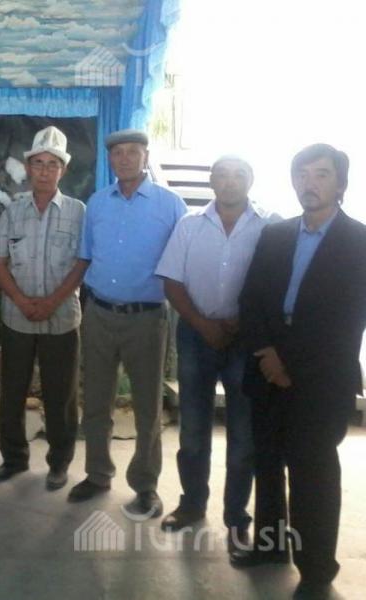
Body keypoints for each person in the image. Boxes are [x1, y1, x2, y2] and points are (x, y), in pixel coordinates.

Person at [235, 144, 366, 598]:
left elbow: (347, 321)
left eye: (322, 174)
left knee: (314, 472)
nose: (310, 183)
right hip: (267, 369)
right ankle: (270, 546)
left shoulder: (359, 242)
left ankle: (316, 568)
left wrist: (289, 365)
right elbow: (251, 300)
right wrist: (268, 355)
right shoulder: (276, 236)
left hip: (322, 379)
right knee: (267, 463)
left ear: (341, 184)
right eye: (303, 174)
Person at [155, 156, 277, 558]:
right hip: (195, 335)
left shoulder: (269, 226)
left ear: (251, 180)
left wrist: (242, 321)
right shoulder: (189, 225)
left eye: (239, 175)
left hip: (246, 340)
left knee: (243, 435)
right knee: (193, 429)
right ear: (211, 181)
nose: (230, 182)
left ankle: (236, 517)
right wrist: (203, 325)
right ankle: (192, 504)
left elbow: (274, 285)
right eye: (222, 175)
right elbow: (172, 281)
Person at [69, 129, 186, 517]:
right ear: (110, 159)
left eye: (132, 152)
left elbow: (182, 262)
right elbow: (86, 256)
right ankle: (97, 473)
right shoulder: (98, 203)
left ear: (145, 156)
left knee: (147, 407)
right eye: (117, 153)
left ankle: (146, 485)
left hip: (147, 319)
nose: (124, 159)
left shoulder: (171, 205)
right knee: (96, 400)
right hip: (99, 314)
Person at [0, 126, 86, 490]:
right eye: (38, 164)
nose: (45, 171)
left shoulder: (77, 212)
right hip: (18, 319)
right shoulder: (13, 212)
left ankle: (59, 464)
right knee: (12, 392)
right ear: (29, 168)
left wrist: (52, 301)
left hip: (61, 320)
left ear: (63, 170)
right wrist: (22, 300)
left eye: (52, 164)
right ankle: (14, 459)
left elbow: (83, 263)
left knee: (61, 396)